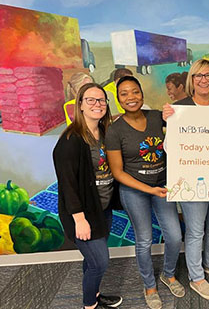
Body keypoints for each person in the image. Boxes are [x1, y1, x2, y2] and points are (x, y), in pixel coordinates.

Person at [105, 76, 184, 309]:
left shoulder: (156, 116)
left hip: (161, 186)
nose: (131, 97)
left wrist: (176, 113)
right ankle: (149, 286)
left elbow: (185, 130)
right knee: (144, 240)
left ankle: (168, 275)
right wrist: (148, 188)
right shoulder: (114, 130)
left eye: (135, 92)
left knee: (174, 236)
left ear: (142, 94)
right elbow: (118, 172)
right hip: (134, 190)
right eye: (124, 94)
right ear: (118, 100)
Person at [162, 59, 209, 301]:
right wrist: (167, 119)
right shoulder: (179, 107)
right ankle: (196, 277)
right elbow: (170, 147)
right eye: (198, 76)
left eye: (208, 75)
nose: (204, 80)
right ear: (191, 81)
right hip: (192, 180)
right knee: (195, 231)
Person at [53, 83, 122, 309]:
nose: (97, 104)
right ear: (80, 105)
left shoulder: (106, 133)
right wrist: (79, 219)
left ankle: (93, 294)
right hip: (83, 214)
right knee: (100, 262)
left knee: (92, 261)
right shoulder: (70, 141)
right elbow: (68, 185)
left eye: (101, 100)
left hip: (103, 209)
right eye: (90, 100)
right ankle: (88, 305)